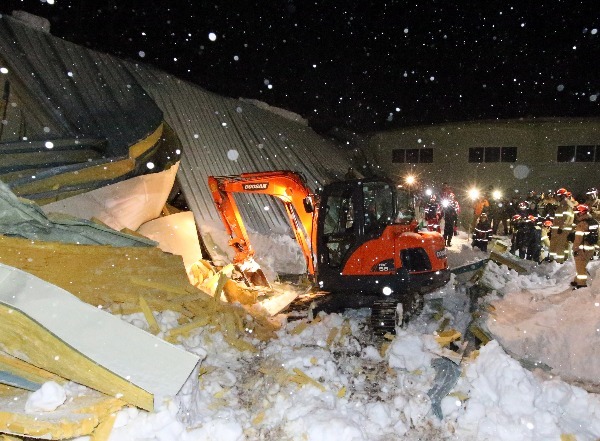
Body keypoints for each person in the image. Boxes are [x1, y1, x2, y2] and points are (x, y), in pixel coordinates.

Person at [569, 204, 599, 289]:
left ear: (581, 213)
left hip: (582, 249)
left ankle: (581, 284)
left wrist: (575, 249)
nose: (576, 215)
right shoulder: (594, 222)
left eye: (578, 213)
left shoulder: (582, 224)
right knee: (582, 266)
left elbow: (578, 239)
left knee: (580, 266)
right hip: (590, 249)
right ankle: (577, 280)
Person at [548, 188, 575, 263]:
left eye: (558, 196)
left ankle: (560, 261)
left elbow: (567, 217)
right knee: (558, 245)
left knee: (560, 246)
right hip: (559, 229)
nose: (556, 197)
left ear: (562, 196)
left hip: (563, 229)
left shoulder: (566, 204)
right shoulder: (563, 204)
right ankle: (556, 259)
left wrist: (561, 227)